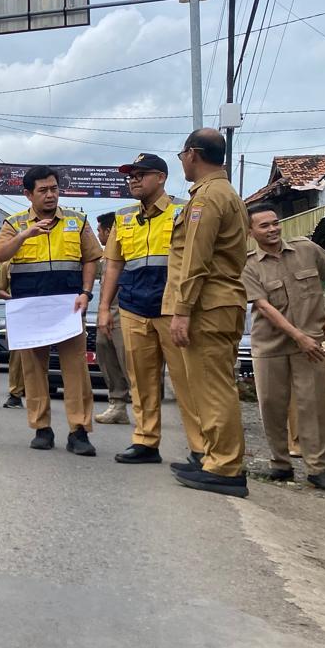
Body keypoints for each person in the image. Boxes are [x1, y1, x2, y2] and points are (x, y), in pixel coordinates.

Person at [98, 153, 204, 467]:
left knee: (186, 381)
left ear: (161, 178)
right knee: (141, 380)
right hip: (133, 306)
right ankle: (145, 441)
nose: (134, 180)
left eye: (141, 175)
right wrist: (103, 308)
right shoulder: (124, 217)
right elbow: (113, 265)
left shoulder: (183, 211)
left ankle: (200, 448)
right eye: (131, 175)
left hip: (171, 307)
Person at [0, 165, 102, 455]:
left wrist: (86, 292)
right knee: (33, 370)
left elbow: (91, 258)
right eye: (43, 190)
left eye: (54, 188)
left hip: (68, 308)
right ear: (28, 194)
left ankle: (79, 431)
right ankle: (41, 428)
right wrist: (24, 235)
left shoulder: (77, 220)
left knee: (76, 371)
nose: (50, 195)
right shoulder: (15, 223)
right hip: (30, 309)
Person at [166, 129, 250, 498]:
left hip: (208, 305)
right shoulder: (223, 193)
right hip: (218, 303)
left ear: (194, 154)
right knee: (208, 385)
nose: (182, 161)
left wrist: (182, 310)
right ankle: (214, 457)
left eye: (183, 154)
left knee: (214, 389)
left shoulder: (208, 198)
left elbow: (196, 259)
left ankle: (226, 467)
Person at [242, 203, 325, 491]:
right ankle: (280, 464)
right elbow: (264, 307)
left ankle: (317, 468)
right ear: (251, 232)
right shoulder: (248, 265)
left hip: (311, 343)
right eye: (264, 226)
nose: (273, 229)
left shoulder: (307, 249)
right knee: (271, 405)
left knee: (314, 405)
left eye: (275, 223)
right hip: (270, 345)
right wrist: (298, 336)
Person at [92, 212, 132, 424]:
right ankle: (117, 404)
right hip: (106, 311)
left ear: (109, 231)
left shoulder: (125, 250)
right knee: (105, 353)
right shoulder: (105, 256)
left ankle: (144, 409)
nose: (98, 234)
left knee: (129, 360)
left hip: (125, 310)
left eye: (100, 231)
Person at [0, 261, 25, 408]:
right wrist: (12, 299)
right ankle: (15, 395)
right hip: (17, 313)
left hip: (40, 311)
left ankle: (39, 394)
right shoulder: (8, 264)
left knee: (40, 355)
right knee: (17, 355)